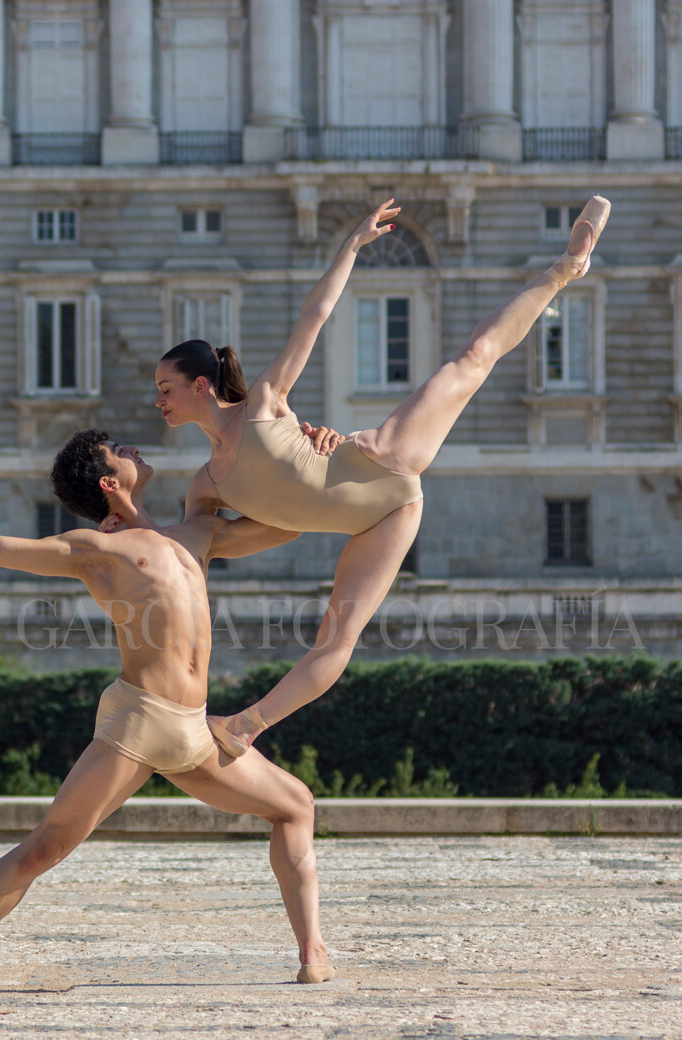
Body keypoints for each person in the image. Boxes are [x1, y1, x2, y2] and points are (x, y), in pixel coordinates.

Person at [0, 430, 338, 990]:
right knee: (45, 846)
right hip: (138, 721)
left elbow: (293, 520)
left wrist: (311, 450)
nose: (137, 446)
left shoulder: (198, 534)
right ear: (108, 481)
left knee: (296, 806)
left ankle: (313, 952)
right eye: (123, 448)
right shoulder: (98, 550)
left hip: (195, 730)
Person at [153, 195, 612, 756]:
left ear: (200, 386)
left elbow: (314, 316)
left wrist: (351, 244)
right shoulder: (205, 486)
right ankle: (245, 726)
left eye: (165, 389)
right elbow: (194, 550)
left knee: (472, 357)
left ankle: (566, 267)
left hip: (383, 460)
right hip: (389, 517)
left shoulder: (264, 404)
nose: (160, 402)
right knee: (336, 638)